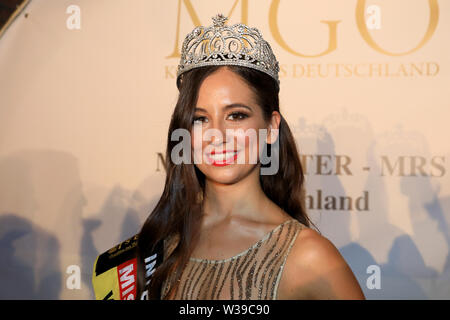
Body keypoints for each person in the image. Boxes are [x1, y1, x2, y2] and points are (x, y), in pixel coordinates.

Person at [135, 13, 365, 300]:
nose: (216, 135)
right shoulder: (160, 244)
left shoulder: (311, 257)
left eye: (236, 115)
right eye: (200, 119)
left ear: (271, 127)